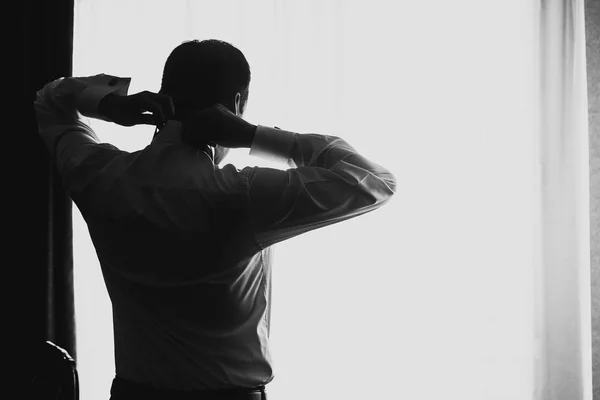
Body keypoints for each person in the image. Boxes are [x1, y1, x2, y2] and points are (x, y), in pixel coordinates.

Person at [34, 39, 396, 400]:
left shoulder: (98, 175)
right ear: (236, 104)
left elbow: (50, 101)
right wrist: (253, 135)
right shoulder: (241, 196)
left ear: (163, 94)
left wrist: (109, 104)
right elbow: (375, 182)